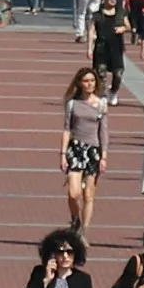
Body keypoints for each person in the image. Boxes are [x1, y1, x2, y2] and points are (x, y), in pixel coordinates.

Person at [60, 65, 110, 244]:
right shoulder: (72, 103)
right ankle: (75, 218)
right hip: (76, 149)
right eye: (86, 81)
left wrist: (104, 156)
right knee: (74, 193)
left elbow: (103, 132)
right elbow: (67, 129)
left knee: (89, 195)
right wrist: (63, 153)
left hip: (93, 150)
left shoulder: (101, 104)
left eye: (92, 81)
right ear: (79, 83)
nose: (89, 84)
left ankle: (83, 233)